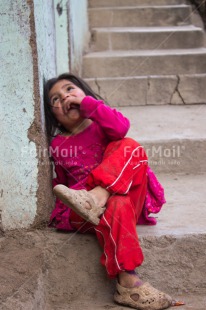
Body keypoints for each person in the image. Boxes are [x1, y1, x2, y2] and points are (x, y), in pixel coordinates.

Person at [44, 73, 183, 310]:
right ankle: (129, 282)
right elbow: (64, 185)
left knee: (130, 146)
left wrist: (89, 105)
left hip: (123, 197)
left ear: (85, 94)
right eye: (56, 99)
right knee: (115, 203)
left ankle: (98, 195)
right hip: (86, 210)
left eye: (70, 89)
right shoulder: (58, 145)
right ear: (53, 116)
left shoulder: (103, 125)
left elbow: (121, 127)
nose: (65, 96)